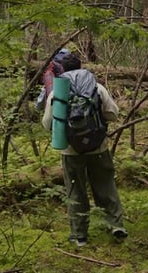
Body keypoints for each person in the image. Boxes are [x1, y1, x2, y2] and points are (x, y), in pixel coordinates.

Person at [42, 53, 128, 247]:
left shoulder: (58, 92)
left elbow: (47, 124)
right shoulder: (97, 88)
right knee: (105, 186)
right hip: (99, 147)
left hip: (70, 151)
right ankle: (116, 226)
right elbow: (113, 114)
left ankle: (79, 236)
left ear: (62, 70)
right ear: (81, 66)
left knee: (75, 191)